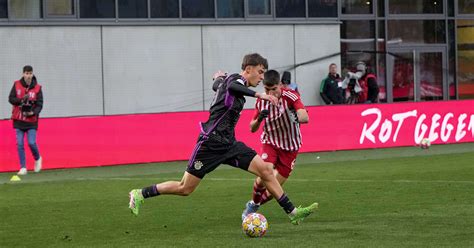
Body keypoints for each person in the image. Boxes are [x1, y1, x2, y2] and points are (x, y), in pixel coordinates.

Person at [128, 53, 318, 225]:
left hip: (229, 143)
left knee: (266, 171)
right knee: (185, 188)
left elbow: (217, 85)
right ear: (248, 69)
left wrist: (217, 78)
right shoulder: (236, 80)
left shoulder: (229, 82)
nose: (261, 77)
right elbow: (232, 85)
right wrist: (259, 95)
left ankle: (293, 212)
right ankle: (140, 193)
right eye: (260, 72)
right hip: (210, 142)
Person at [241, 70, 311, 220]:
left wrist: (297, 116)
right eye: (267, 89)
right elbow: (251, 128)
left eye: (274, 89)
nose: (271, 93)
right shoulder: (261, 100)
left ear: (280, 85)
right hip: (270, 142)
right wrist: (260, 119)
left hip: (290, 147)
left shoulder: (291, 96)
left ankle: (255, 204)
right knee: (264, 173)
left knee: (274, 189)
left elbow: (305, 117)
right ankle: (252, 207)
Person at [8, 65, 43, 175]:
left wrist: (33, 112)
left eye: (30, 73)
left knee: (31, 143)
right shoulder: (16, 85)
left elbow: (40, 104)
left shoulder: (38, 88)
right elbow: (11, 99)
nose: (28, 76)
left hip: (32, 120)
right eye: (26, 73)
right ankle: (23, 167)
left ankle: (37, 158)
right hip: (18, 119)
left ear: (32, 74)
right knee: (20, 144)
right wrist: (21, 100)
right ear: (23, 74)